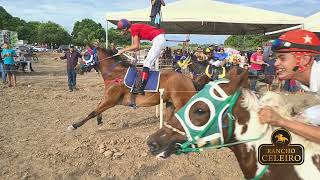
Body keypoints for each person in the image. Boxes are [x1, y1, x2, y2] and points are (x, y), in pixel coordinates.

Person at [259, 29, 320, 144]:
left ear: (304, 60)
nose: (276, 63)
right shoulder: (302, 80)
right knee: (306, 115)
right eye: (276, 58)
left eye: (282, 58)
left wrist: (281, 121)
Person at [116, 19, 166, 95]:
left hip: (158, 39)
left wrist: (123, 50)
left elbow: (135, 46)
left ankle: (141, 88)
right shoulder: (134, 28)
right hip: (158, 39)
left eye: (121, 30)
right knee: (148, 63)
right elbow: (137, 47)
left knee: (147, 62)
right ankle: (147, 84)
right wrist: (126, 51)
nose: (121, 32)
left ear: (125, 28)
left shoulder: (133, 29)